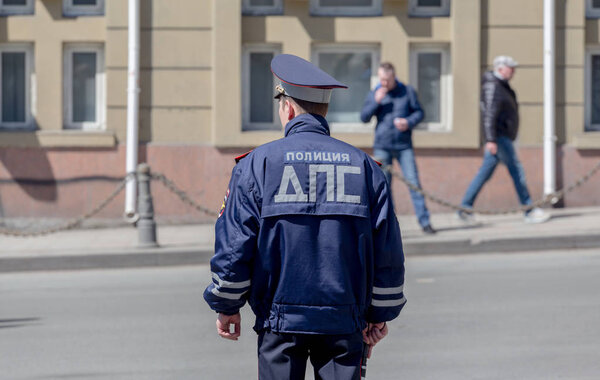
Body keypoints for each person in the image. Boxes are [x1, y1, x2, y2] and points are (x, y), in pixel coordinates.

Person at [204, 54, 406, 380]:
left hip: (278, 321)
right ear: (324, 110)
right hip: (344, 320)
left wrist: (227, 304)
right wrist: (378, 314)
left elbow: (235, 246)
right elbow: (387, 251)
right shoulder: (366, 168)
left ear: (288, 108)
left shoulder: (256, 165)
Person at [457, 55, 550, 224]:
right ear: (500, 68)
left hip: (500, 137)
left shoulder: (501, 86)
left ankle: (464, 208)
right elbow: (489, 115)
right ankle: (528, 210)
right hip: (499, 138)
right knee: (517, 171)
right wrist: (491, 139)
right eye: (510, 67)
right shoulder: (494, 86)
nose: (513, 71)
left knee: (484, 173)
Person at [360, 62, 436, 234]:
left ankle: (425, 222)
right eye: (381, 80)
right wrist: (376, 102)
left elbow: (419, 112)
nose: (384, 83)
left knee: (414, 182)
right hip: (382, 146)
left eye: (387, 80)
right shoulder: (376, 92)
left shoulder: (407, 91)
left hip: (404, 146)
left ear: (394, 77)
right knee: (383, 187)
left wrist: (408, 122)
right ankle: (389, 227)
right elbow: (364, 117)